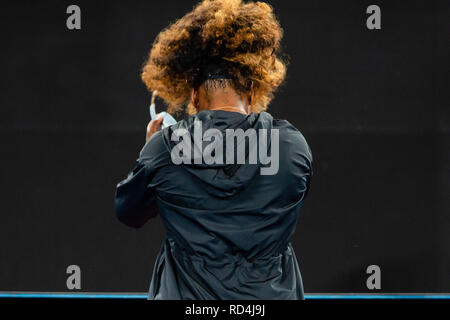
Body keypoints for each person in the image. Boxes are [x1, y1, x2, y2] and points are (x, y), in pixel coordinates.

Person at [114, 0, 313, 300]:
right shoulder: (291, 147)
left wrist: (151, 156)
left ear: (193, 95)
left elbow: (130, 212)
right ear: (252, 90)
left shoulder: (164, 149)